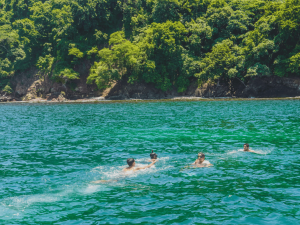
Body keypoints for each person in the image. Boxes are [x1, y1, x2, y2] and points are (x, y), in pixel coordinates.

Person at [92, 158, 156, 183]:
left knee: (110, 180)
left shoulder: (124, 168)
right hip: (124, 176)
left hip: (121, 174)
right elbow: (148, 166)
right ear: (133, 163)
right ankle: (98, 182)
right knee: (109, 181)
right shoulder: (135, 168)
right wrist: (153, 162)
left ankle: (96, 181)